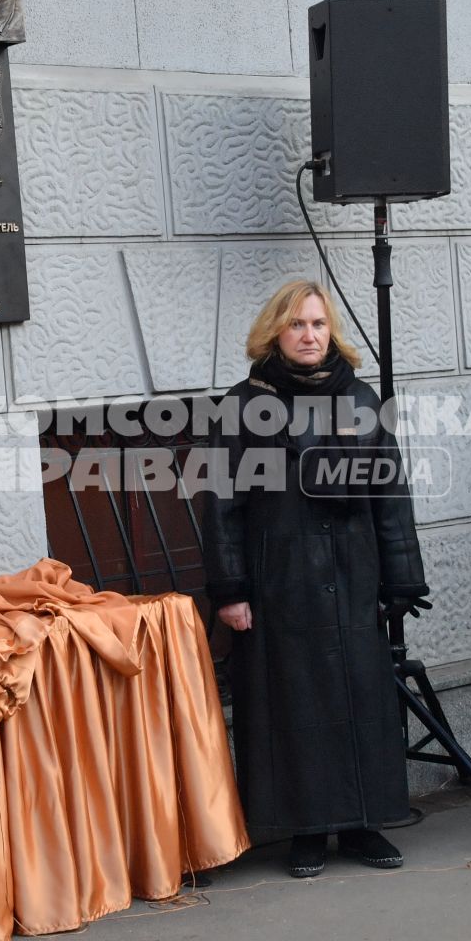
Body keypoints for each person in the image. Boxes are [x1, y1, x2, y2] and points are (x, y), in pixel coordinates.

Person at [201, 280, 430, 878]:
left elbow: (391, 493)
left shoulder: (361, 398)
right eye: (297, 325)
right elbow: (221, 502)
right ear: (274, 332)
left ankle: (363, 824)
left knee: (362, 700)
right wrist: (231, 591)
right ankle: (304, 830)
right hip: (279, 577)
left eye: (319, 325)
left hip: (353, 575)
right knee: (292, 704)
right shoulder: (242, 402)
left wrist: (402, 575)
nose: (309, 335)